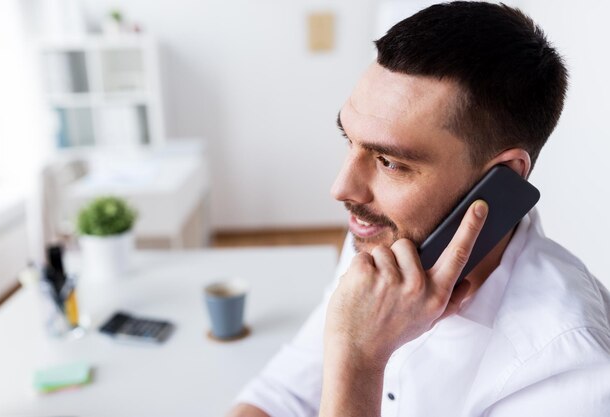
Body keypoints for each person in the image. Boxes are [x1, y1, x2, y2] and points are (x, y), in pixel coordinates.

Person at [227, 2, 610, 416]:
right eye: (349, 140)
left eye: (390, 162)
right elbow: (280, 396)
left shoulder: (567, 370)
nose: (342, 189)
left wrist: (357, 362)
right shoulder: (387, 238)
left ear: (504, 179)